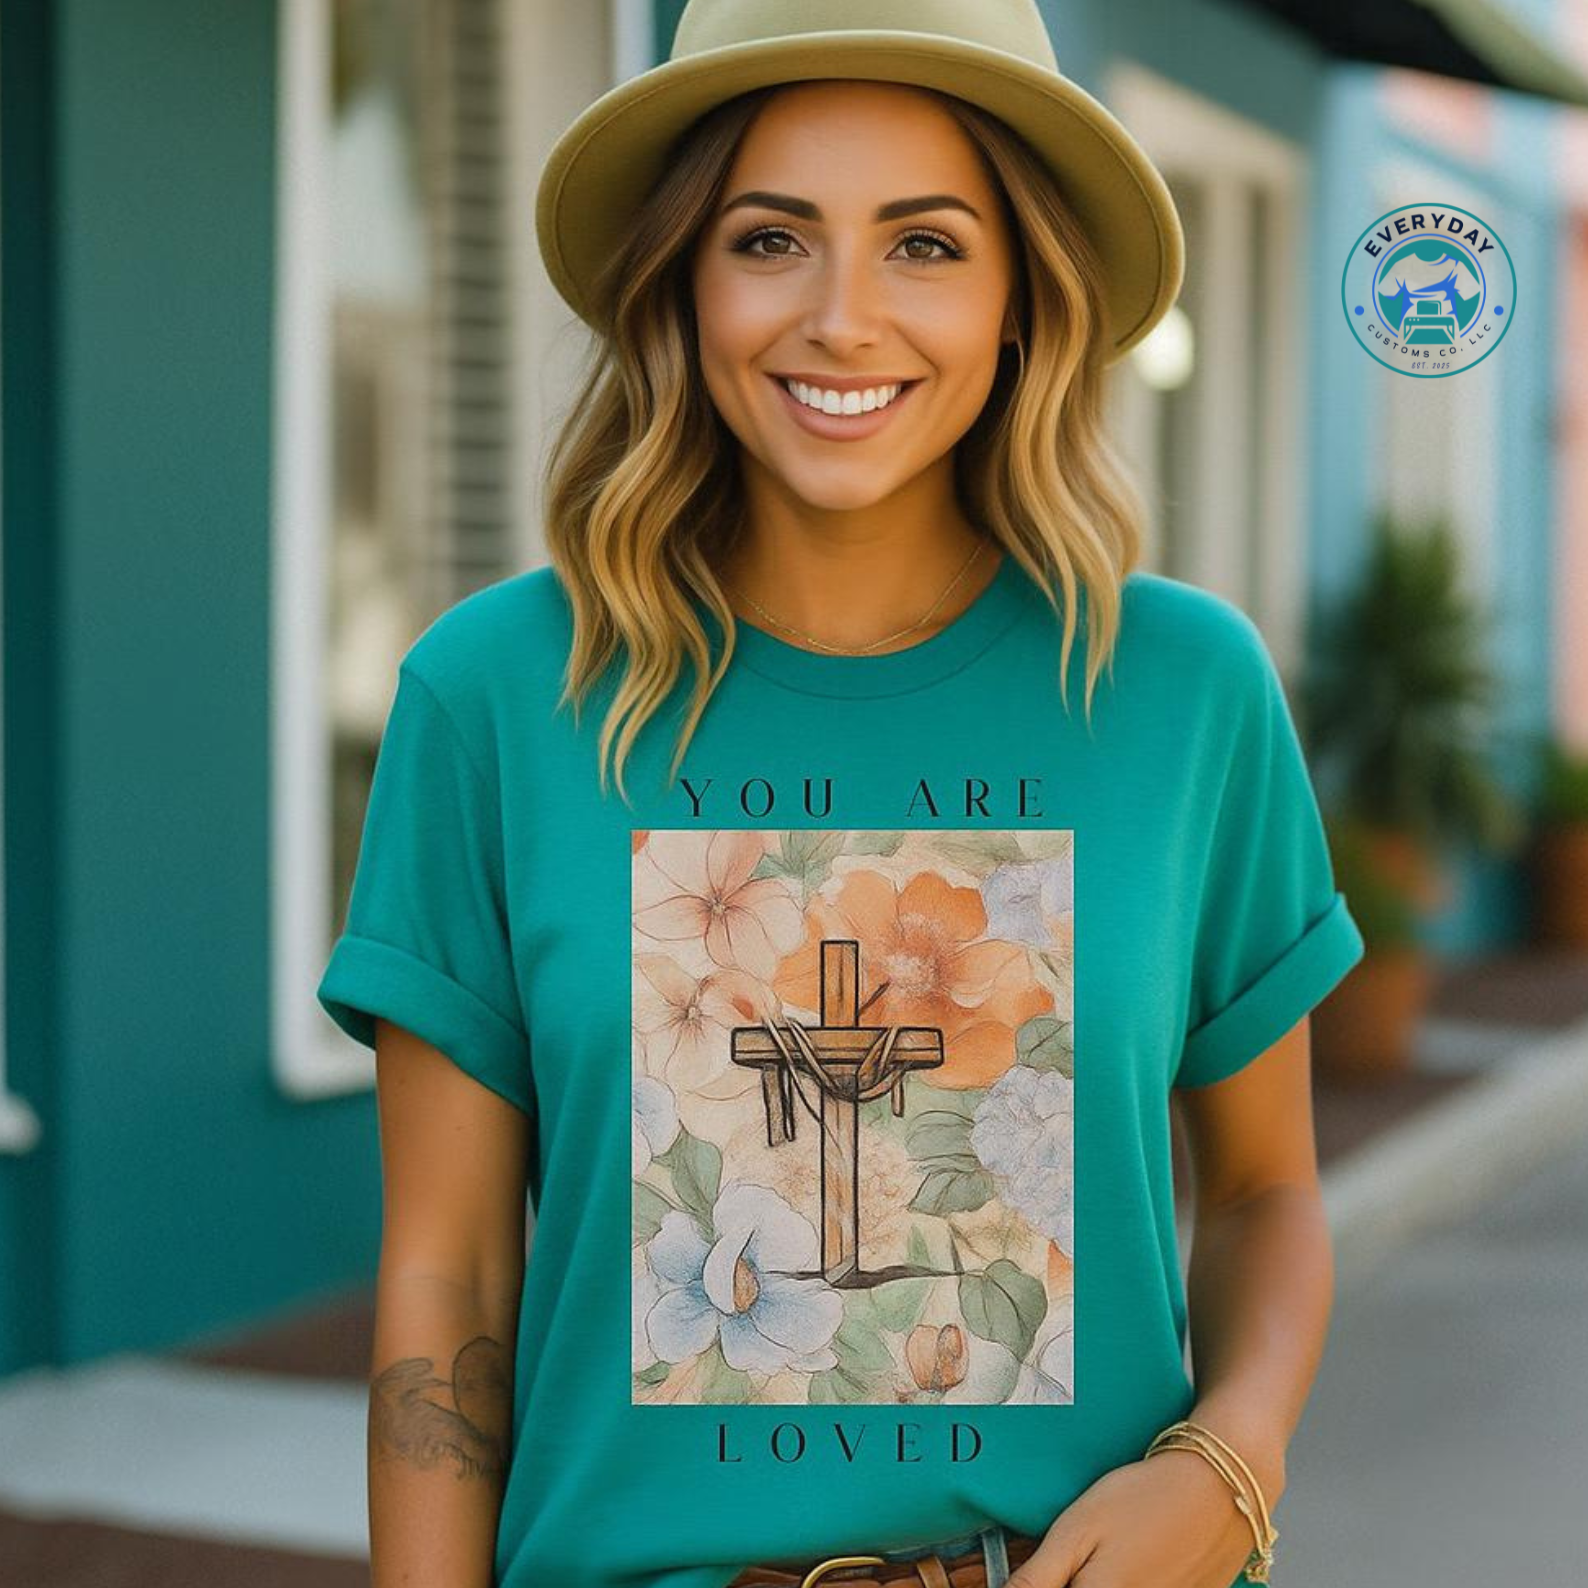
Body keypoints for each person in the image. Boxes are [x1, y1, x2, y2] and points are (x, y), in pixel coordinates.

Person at [316, 2, 1365, 1586]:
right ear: (683, 279)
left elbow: (1268, 1190)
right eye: (771, 238)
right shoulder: (495, 698)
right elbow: (449, 1274)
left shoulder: (1182, 692)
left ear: (1024, 296)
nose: (843, 318)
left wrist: (1231, 1461)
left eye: (926, 246)